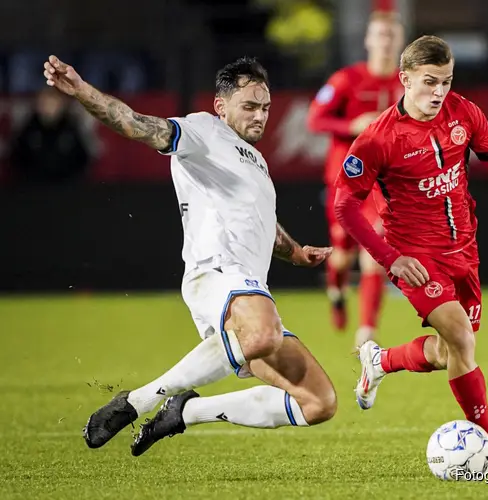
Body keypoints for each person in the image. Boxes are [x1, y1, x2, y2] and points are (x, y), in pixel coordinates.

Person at [42, 54, 337, 456]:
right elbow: (135, 124)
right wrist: (81, 91)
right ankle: (139, 401)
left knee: (318, 403)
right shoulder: (203, 130)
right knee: (263, 333)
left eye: (265, 108)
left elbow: (261, 224)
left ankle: (186, 412)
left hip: (246, 287)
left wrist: (297, 252)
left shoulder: (256, 162)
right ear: (221, 106)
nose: (260, 116)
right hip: (217, 272)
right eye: (249, 106)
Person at [333, 35, 488, 473]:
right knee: (461, 337)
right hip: (415, 258)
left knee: (448, 351)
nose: (439, 92)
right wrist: (390, 259)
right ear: (405, 80)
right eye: (429, 82)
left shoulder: (465, 113)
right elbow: (345, 205)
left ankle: (381, 360)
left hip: (464, 251)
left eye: (447, 81)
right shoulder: (378, 139)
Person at [307, 10, 404, 346]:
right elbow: (315, 120)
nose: (386, 42)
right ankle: (335, 290)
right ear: (367, 40)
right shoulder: (346, 80)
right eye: (380, 35)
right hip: (345, 180)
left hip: (382, 183)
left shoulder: (407, 84)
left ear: (400, 41)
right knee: (342, 254)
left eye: (391, 36)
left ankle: (367, 333)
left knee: (376, 249)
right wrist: (351, 126)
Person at [9, 86, 91, 184]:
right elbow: (16, 157)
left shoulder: (70, 128)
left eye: (52, 103)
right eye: (44, 103)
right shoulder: (30, 128)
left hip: (66, 187)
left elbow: (83, 158)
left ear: (61, 105)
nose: (48, 107)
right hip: (33, 188)